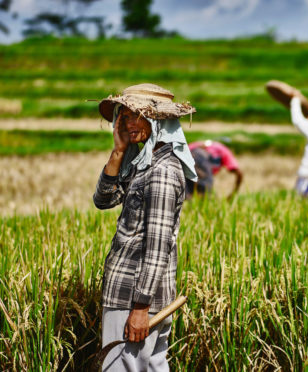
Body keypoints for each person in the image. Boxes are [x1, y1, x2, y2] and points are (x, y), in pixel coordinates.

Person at [93, 83, 197, 371]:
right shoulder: (143, 164)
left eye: (135, 115)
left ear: (157, 120)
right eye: (123, 116)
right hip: (132, 295)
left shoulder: (162, 171)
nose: (128, 122)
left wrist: (140, 308)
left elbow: (157, 246)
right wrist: (117, 152)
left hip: (134, 298)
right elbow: (103, 201)